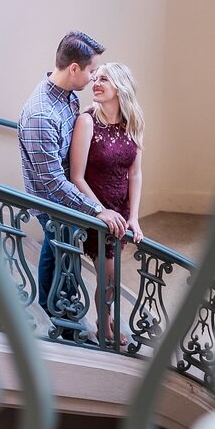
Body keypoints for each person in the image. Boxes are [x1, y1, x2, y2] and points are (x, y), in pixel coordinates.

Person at [18, 32, 127, 324]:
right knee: (58, 255)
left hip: (69, 196)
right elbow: (52, 182)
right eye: (92, 71)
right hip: (51, 202)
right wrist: (96, 209)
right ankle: (56, 317)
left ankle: (60, 310)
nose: (94, 78)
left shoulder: (68, 99)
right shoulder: (41, 115)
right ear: (74, 69)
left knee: (61, 254)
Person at [70, 62, 144, 346]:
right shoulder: (87, 122)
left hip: (121, 213)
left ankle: (108, 320)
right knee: (110, 275)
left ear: (120, 88)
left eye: (104, 80)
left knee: (109, 276)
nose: (96, 84)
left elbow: (135, 173)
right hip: (96, 212)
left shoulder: (133, 122)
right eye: (95, 78)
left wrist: (134, 217)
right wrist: (101, 211)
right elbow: (76, 177)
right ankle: (105, 323)